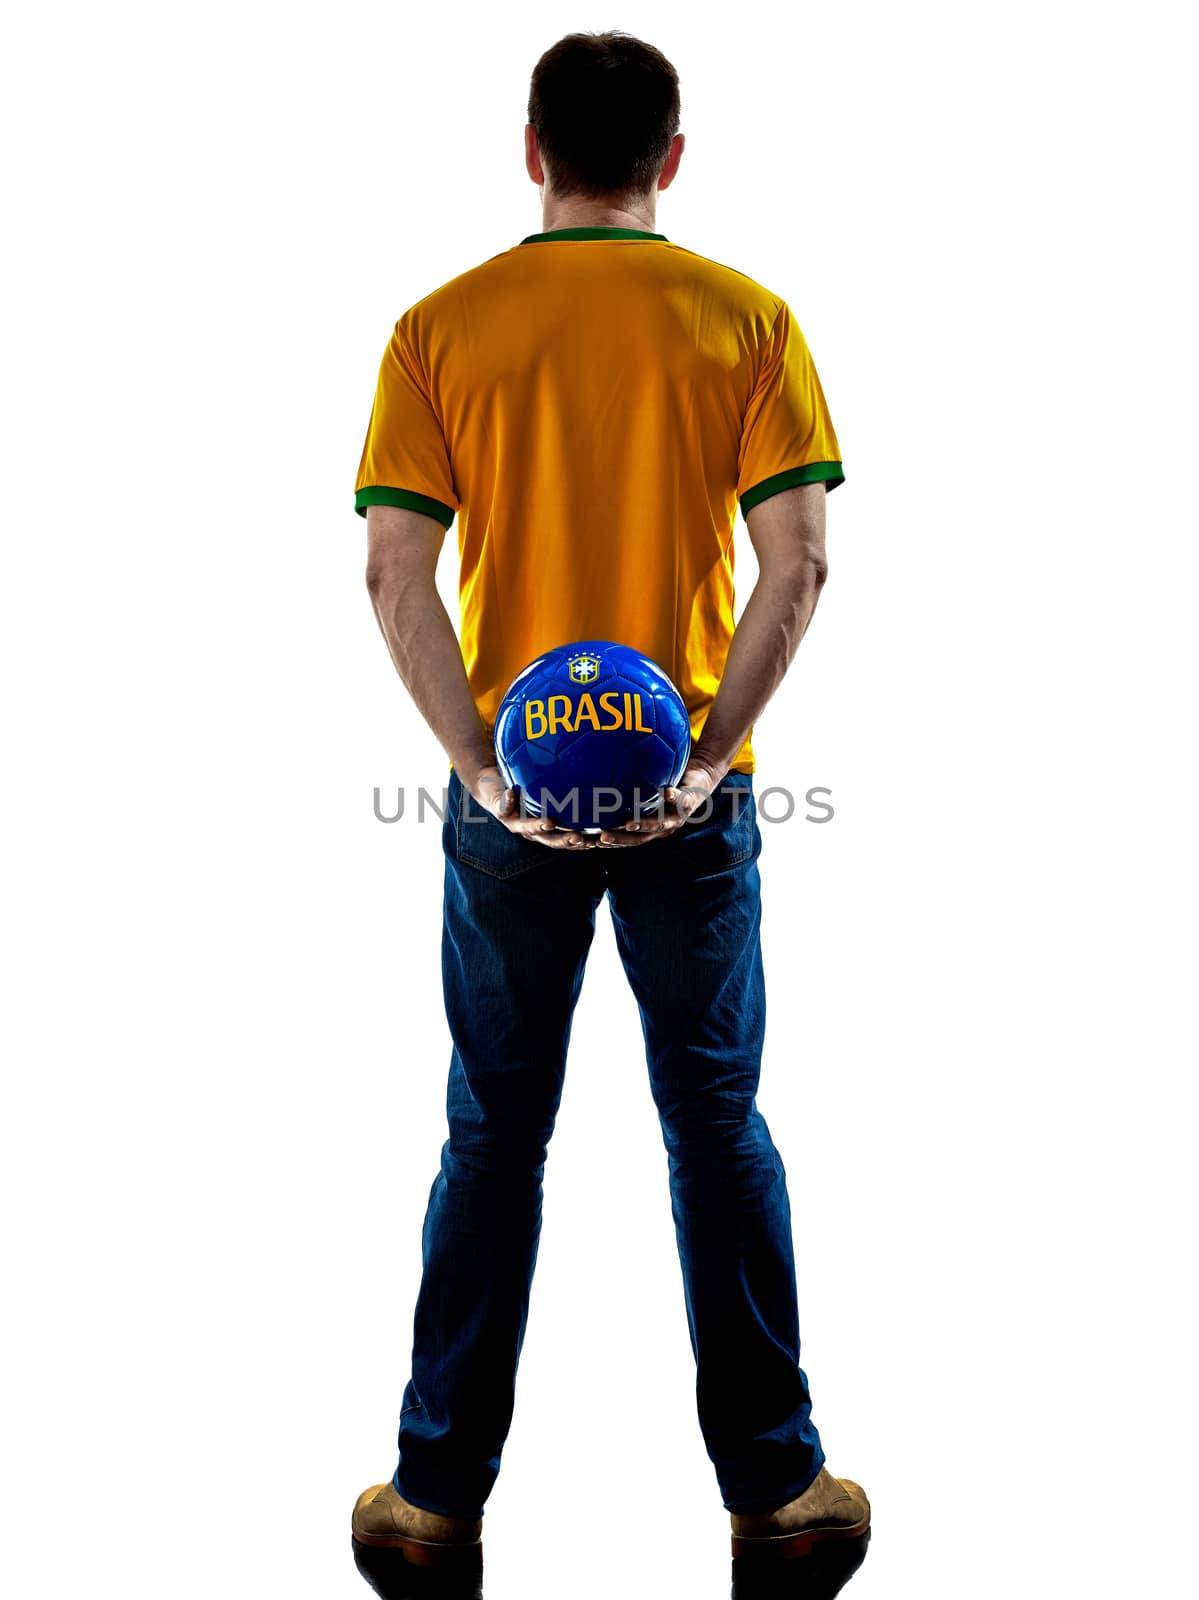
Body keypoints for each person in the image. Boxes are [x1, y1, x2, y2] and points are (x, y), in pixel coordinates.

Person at [349, 28, 871, 1577]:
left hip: (507, 806)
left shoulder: (440, 329)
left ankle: (433, 1508)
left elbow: (394, 577)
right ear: (673, 158)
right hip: (687, 810)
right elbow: (804, 565)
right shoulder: (746, 321)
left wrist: (479, 769)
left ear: (530, 152)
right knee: (716, 1128)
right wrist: (706, 756)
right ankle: (779, 1499)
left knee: (492, 1137)